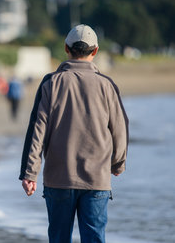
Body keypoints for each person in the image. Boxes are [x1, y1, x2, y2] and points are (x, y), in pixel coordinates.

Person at [19, 24, 129, 243]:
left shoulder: (51, 83)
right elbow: (120, 129)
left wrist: (30, 173)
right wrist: (118, 164)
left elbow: (37, 130)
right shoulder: (107, 85)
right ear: (95, 51)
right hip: (97, 179)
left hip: (58, 179)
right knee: (94, 238)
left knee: (59, 238)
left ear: (66, 48)